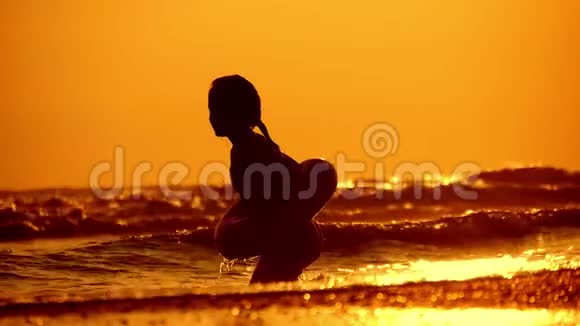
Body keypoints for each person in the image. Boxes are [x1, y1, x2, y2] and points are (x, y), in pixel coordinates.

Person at [209, 75, 337, 283]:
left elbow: (273, 201)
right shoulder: (252, 146)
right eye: (210, 110)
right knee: (274, 294)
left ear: (234, 112)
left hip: (291, 239)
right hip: (294, 237)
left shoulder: (251, 150)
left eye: (216, 110)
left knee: (261, 296)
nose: (211, 117)